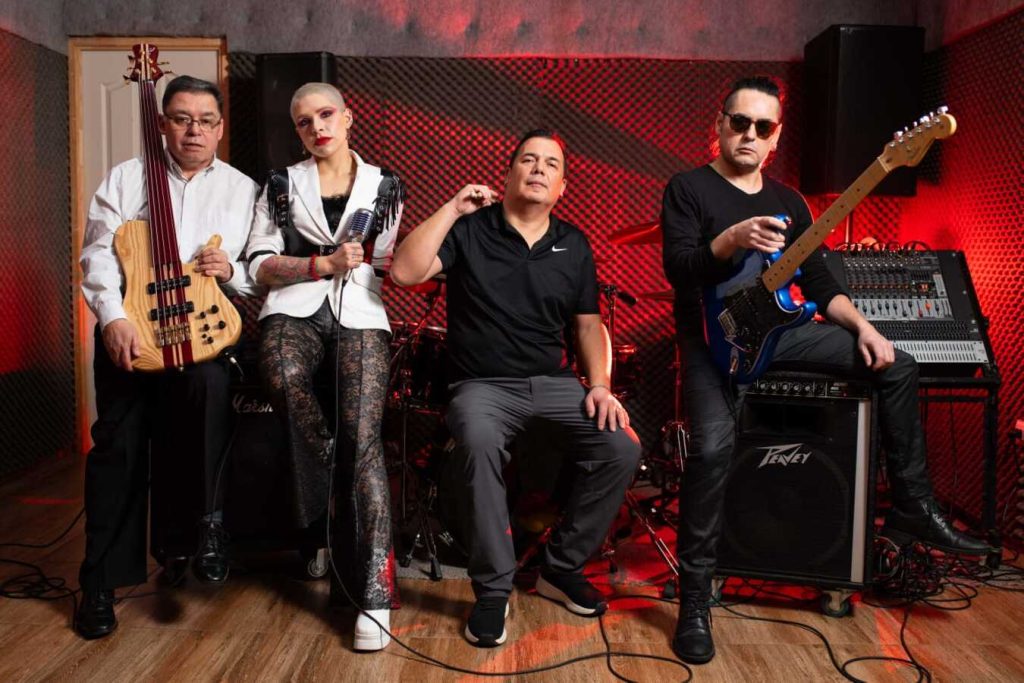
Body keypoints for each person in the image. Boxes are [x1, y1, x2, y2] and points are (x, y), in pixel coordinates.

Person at [660, 75, 991, 665]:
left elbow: (817, 281)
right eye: (740, 122)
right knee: (710, 450)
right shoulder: (688, 189)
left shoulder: (791, 203)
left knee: (898, 365)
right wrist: (731, 239)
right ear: (719, 125)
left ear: (776, 137)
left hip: (782, 333)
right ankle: (694, 601)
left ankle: (913, 507)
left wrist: (864, 327)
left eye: (763, 126)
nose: (749, 134)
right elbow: (680, 269)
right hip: (711, 341)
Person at [390, 130, 641, 648]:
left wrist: (600, 385)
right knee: (479, 441)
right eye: (528, 159)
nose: (539, 168)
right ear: (508, 174)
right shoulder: (470, 229)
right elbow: (404, 272)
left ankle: (560, 567)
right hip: (482, 386)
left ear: (562, 186)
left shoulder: (574, 244)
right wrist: (452, 208)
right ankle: (492, 590)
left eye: (551, 164)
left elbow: (588, 325)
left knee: (621, 446)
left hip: (553, 382)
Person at [77, 75, 259, 639]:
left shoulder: (242, 189)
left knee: (205, 412)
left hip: (199, 334)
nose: (193, 131)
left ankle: (191, 542)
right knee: (119, 449)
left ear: (220, 128)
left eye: (205, 121)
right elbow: (97, 253)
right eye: (181, 119)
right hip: (132, 332)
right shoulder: (126, 178)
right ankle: (100, 584)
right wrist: (113, 318)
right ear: (162, 124)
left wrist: (233, 271)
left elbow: (257, 268)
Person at [244, 82, 403, 651]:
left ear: (348, 117)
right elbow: (258, 264)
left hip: (361, 310)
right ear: (297, 131)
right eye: (305, 121)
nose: (317, 127)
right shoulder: (280, 184)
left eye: (326, 114)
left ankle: (375, 598)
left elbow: (385, 260)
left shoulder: (385, 185)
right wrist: (319, 265)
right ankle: (334, 487)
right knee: (283, 375)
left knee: (364, 435)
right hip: (293, 307)